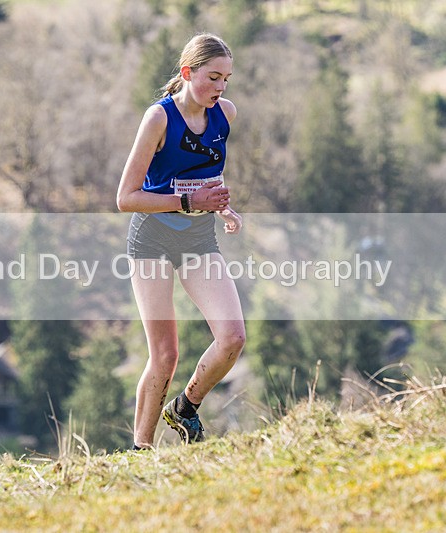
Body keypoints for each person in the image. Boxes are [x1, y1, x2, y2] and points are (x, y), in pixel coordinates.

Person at [116, 33, 246, 449]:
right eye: (213, 78)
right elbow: (125, 198)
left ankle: (186, 407)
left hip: (198, 239)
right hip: (151, 240)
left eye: (226, 78)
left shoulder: (224, 113)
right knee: (165, 356)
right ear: (188, 73)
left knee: (232, 338)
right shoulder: (159, 118)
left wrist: (220, 205)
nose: (221, 88)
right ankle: (140, 451)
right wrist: (190, 200)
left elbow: (209, 169)